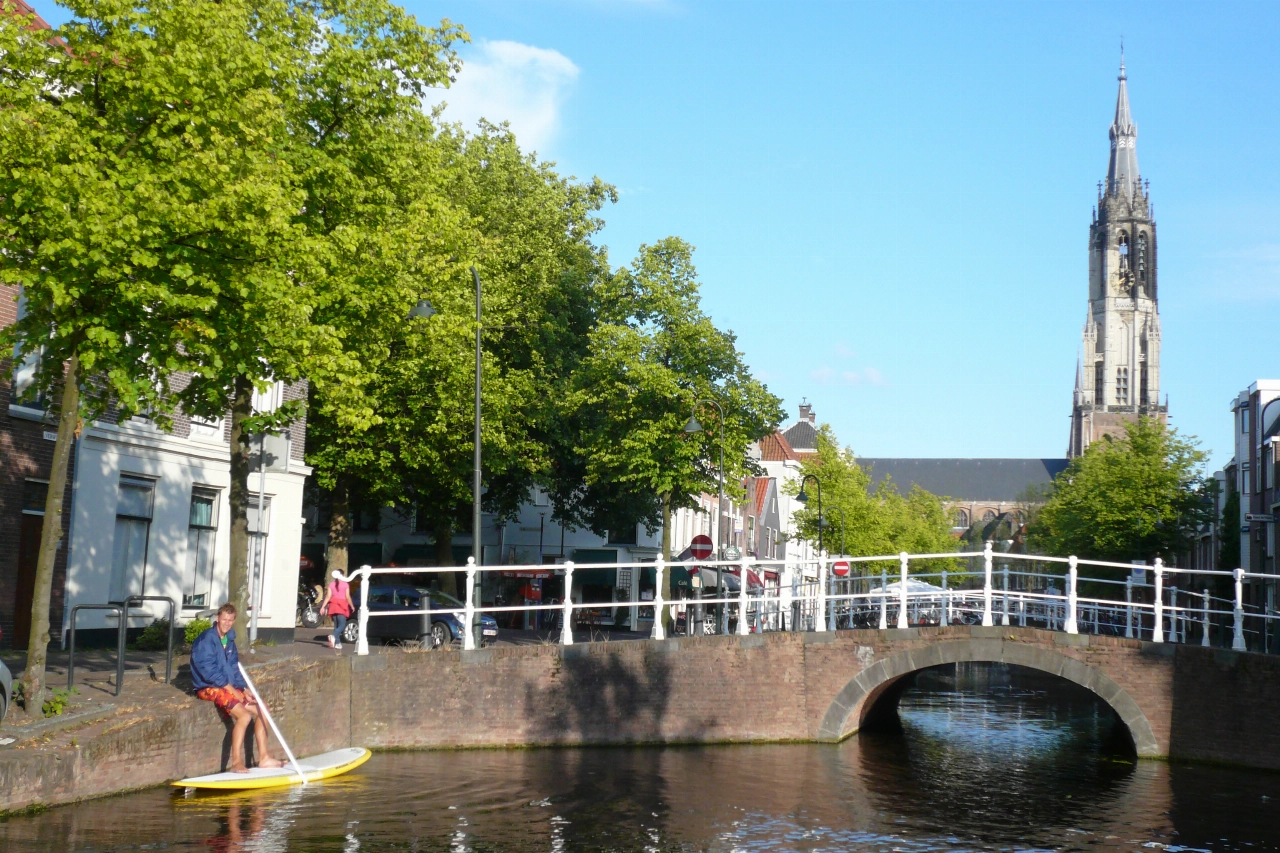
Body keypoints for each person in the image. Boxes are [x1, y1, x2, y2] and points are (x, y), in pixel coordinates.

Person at [190, 603, 284, 773]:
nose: (227, 623)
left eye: (230, 620)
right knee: (244, 716)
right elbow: (209, 672)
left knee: (264, 710)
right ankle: (236, 763)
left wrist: (243, 688)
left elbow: (234, 668)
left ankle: (264, 758)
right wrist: (233, 692)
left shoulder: (229, 640)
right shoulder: (206, 641)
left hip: (227, 685)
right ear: (217, 618)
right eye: (224, 619)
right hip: (209, 687)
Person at [319, 569, 353, 650]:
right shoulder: (345, 585)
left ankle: (337, 643)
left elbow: (328, 597)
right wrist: (352, 606)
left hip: (333, 605)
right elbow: (347, 597)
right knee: (342, 625)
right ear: (342, 575)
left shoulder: (331, 584)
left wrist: (323, 607)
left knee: (336, 625)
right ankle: (333, 636)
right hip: (342, 605)